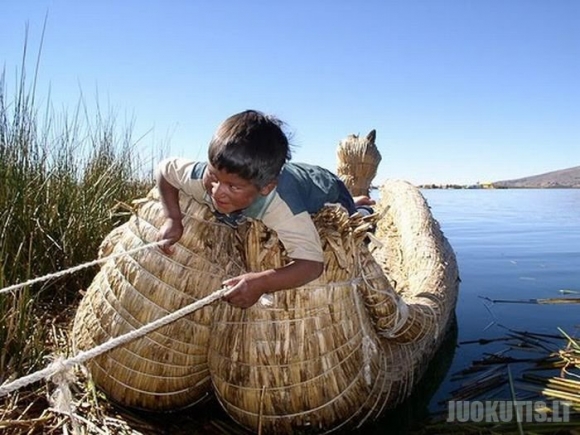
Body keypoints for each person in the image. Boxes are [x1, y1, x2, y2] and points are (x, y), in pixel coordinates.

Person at [156, 109, 375, 308]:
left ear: (266, 188)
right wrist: (172, 219)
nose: (217, 192)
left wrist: (262, 282)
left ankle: (360, 206)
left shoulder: (279, 206)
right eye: (213, 175)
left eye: (233, 186)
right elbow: (164, 171)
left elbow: (311, 264)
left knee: (357, 228)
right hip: (287, 175)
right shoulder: (204, 175)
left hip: (326, 187)